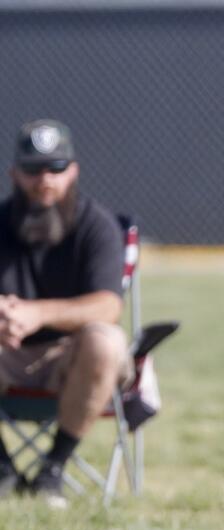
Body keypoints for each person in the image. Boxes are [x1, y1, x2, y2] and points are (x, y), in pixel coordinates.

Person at [0, 119, 130, 507]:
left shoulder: (96, 226)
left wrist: (39, 313)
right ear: (14, 174)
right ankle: (3, 471)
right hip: (8, 353)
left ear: (72, 171)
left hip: (69, 358)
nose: (45, 180)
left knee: (106, 341)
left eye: (55, 168)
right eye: (33, 170)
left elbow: (108, 305)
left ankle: (53, 469)